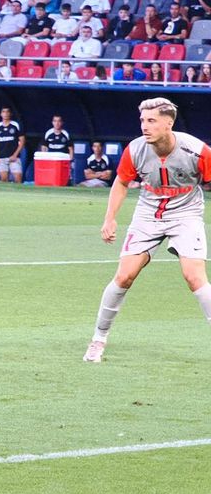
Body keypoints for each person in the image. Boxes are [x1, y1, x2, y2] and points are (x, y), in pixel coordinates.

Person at [83, 98, 211, 363]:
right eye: (142, 120)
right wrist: (110, 219)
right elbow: (121, 182)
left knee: (194, 277)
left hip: (186, 214)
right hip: (147, 214)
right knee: (124, 276)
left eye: (151, 120)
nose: (144, 126)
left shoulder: (198, 151)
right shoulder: (135, 149)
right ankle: (98, 339)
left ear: (169, 123)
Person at [0, 107, 25, 183]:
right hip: (1, 158)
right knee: (4, 180)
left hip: (14, 158)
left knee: (18, 180)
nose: (6, 114)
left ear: (10, 114)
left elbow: (22, 141)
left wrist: (15, 155)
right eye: (3, 112)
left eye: (7, 112)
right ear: (1, 114)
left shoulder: (15, 125)